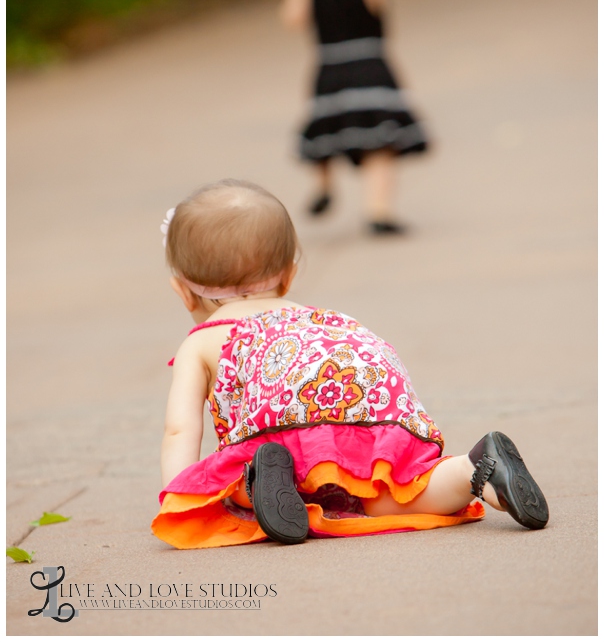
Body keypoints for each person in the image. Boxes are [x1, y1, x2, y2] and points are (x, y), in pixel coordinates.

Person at [152, 179, 549, 549]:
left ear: (184, 292)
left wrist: (181, 494)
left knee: (229, 478)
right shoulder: (319, 320)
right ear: (288, 276)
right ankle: (473, 469)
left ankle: (261, 482)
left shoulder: (204, 340)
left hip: (286, 427)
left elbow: (180, 429)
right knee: (387, 495)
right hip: (370, 393)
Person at [281, 0, 453, 234]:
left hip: (328, 66)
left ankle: (324, 184)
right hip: (370, 66)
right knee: (379, 143)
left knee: (327, 127)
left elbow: (293, 19)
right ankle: (378, 211)